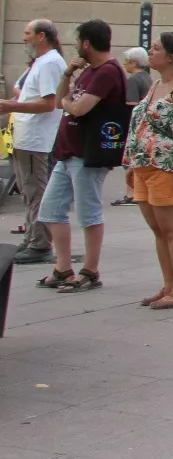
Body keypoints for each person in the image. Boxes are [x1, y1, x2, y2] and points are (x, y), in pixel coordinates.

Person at [31, 19, 128, 293]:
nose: (75, 47)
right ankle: (63, 268)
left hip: (89, 153)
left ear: (86, 43)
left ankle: (90, 270)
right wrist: (67, 76)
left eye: (77, 42)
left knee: (89, 213)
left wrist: (67, 103)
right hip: (68, 151)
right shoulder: (87, 71)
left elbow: (78, 109)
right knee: (50, 211)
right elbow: (62, 100)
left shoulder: (107, 71)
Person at [125, 31, 173, 309]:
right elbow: (142, 124)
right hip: (145, 165)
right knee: (159, 230)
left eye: (156, 48)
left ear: (171, 56)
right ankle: (168, 285)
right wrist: (132, 162)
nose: (150, 51)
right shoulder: (156, 83)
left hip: (169, 167)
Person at [0, 19, 68, 264]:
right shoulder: (43, 62)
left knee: (36, 191)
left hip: (36, 139)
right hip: (27, 137)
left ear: (41, 36)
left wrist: (11, 106)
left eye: (27, 33)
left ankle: (40, 243)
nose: (24, 38)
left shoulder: (50, 62)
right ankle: (32, 238)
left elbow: (50, 104)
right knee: (29, 190)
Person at [112, 47, 153, 206]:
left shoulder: (134, 80)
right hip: (146, 124)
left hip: (134, 124)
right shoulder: (147, 78)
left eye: (127, 61)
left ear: (134, 62)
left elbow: (131, 103)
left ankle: (132, 193)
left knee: (129, 160)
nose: (124, 65)